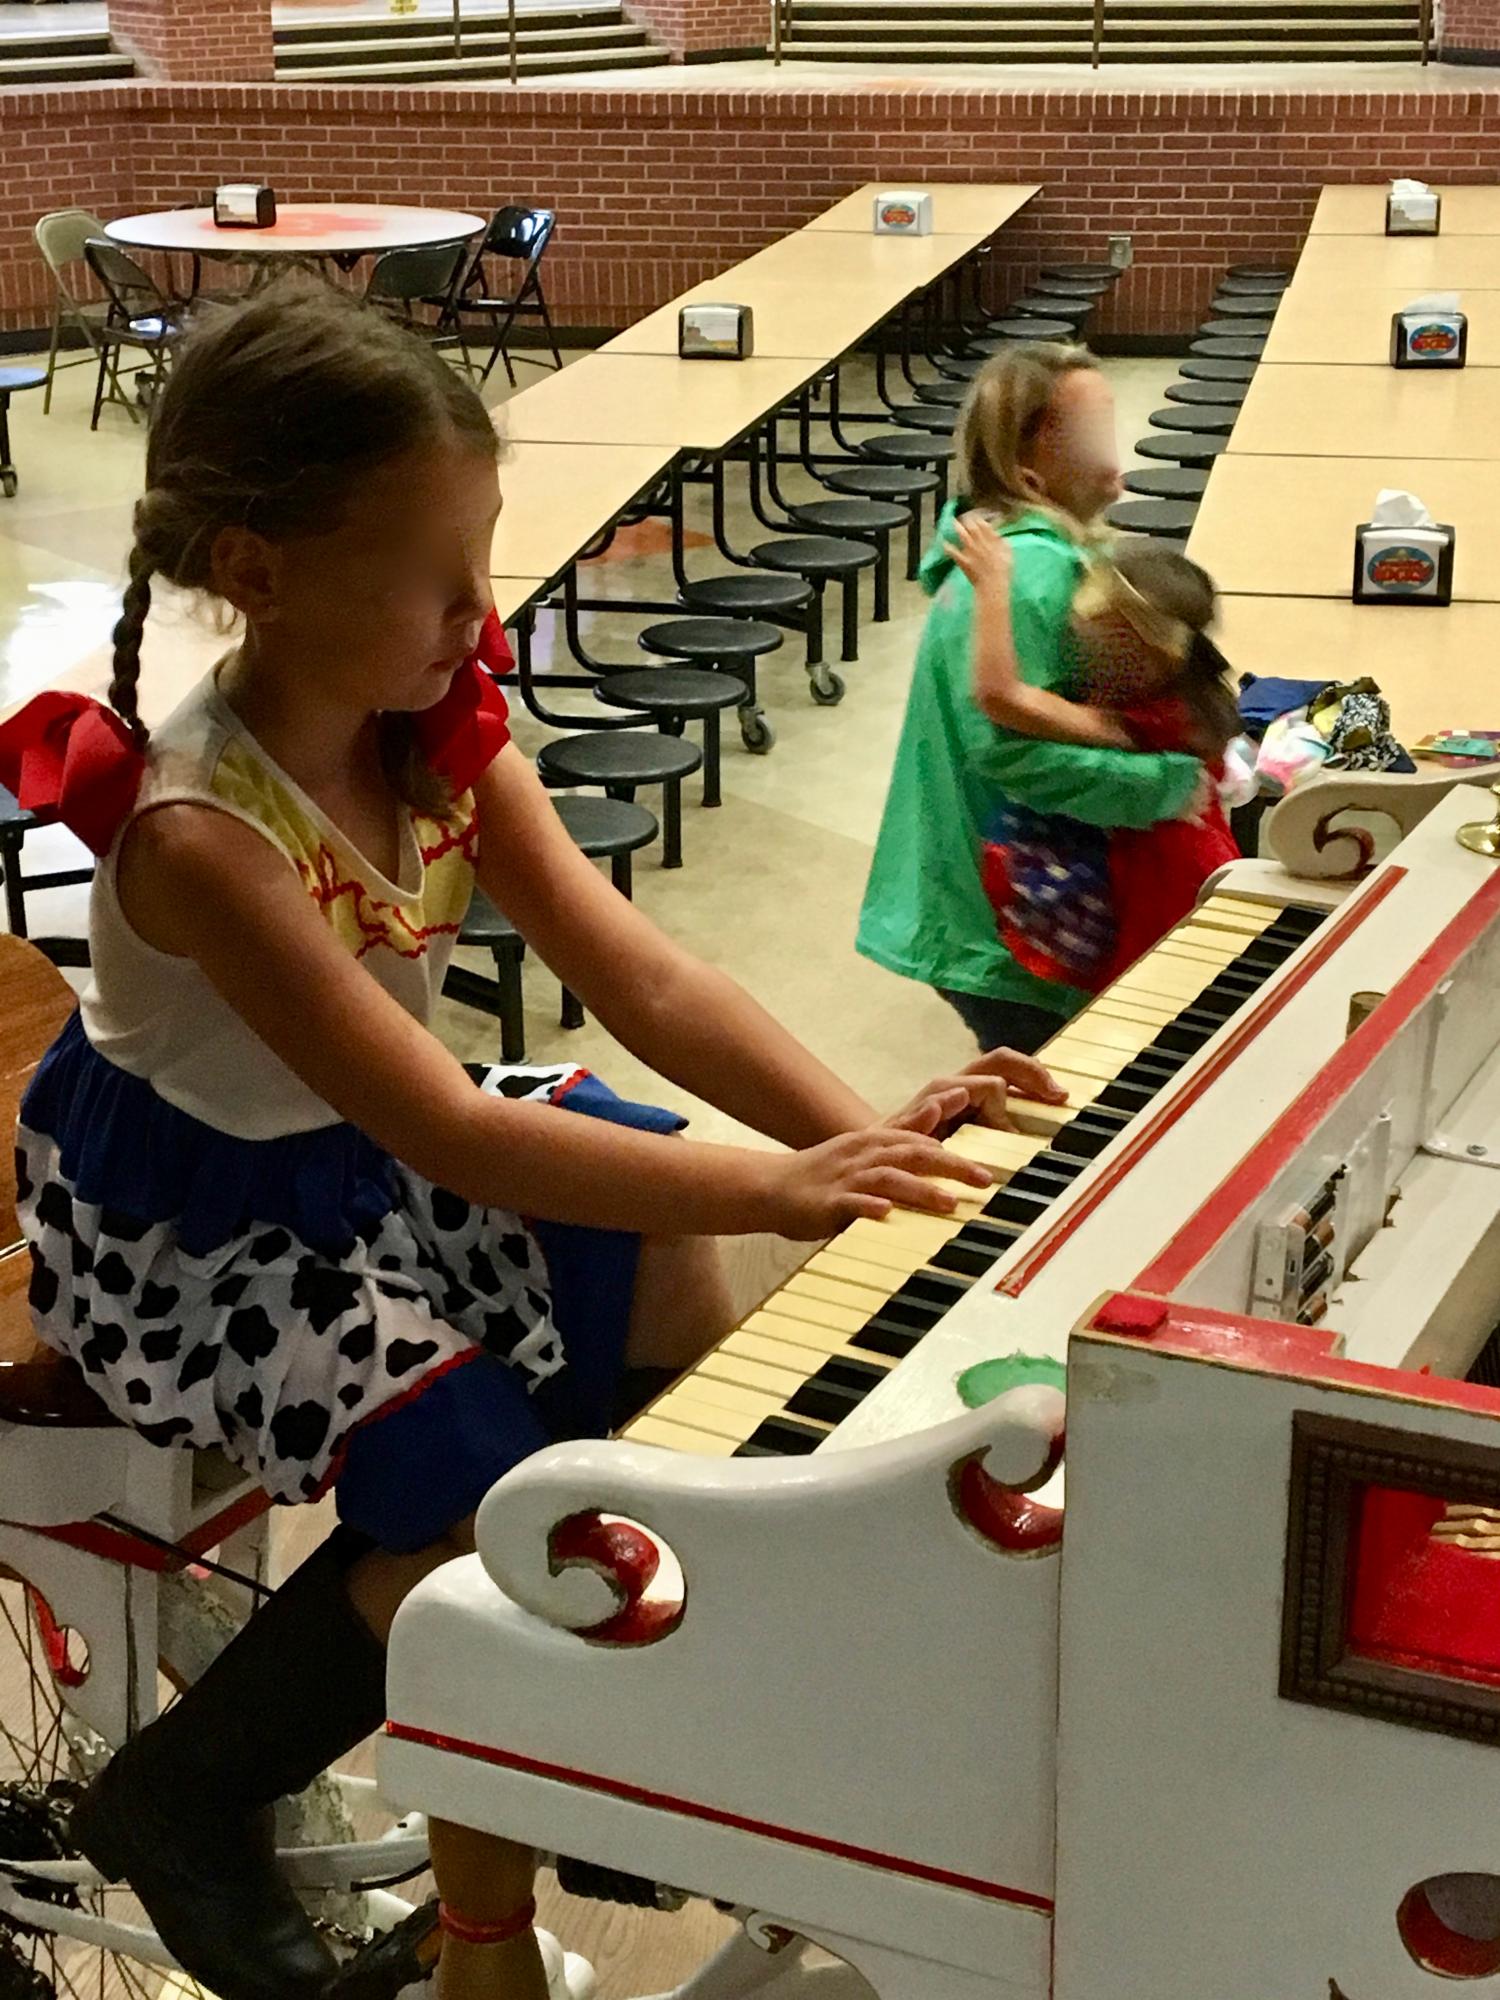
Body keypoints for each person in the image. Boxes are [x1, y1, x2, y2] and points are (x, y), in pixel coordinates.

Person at [0, 286, 1066, 2000]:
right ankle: (191, 1795)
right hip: (196, 1236)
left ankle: (585, 1681)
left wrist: (866, 1134)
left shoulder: (437, 725)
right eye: (440, 573)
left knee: (650, 1229)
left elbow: (640, 973)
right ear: (258, 572)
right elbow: (441, 1122)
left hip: (368, 1169)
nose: (479, 611)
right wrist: (795, 1184)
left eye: (482, 557)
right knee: (477, 1485)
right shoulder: (203, 831)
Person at [855, 344, 1204, 1055]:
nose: (1115, 446)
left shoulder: (1033, 556)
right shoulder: (1032, 573)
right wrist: (1170, 784)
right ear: (1031, 459)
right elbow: (1015, 752)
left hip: (992, 907)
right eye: (1094, 428)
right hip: (1006, 923)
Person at [950, 519, 1247, 993]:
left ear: (1141, 651)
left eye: (1096, 629)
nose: (1078, 631)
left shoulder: (1153, 720)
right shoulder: (1181, 697)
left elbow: (1004, 698)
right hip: (1162, 863)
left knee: (1152, 994)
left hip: (1167, 879)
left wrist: (993, 587)